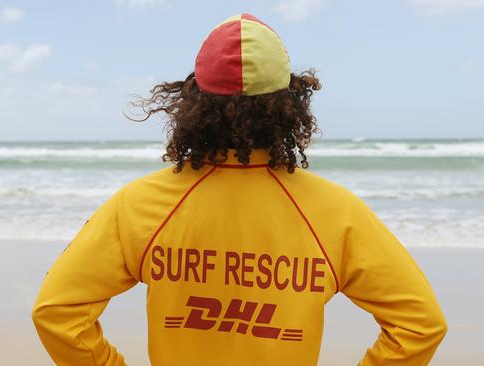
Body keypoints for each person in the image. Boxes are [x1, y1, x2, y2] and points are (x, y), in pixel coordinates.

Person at [32, 12, 447, 366]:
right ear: (292, 103)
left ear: (192, 100)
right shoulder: (334, 212)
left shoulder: (141, 205)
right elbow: (420, 324)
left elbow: (57, 313)